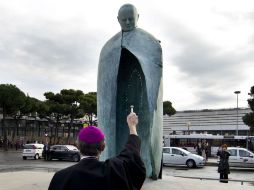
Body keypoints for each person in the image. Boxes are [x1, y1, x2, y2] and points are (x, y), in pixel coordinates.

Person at [48, 112, 146, 190]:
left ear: (78, 146)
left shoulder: (61, 178)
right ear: (103, 147)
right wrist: (132, 127)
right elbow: (131, 155)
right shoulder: (113, 172)